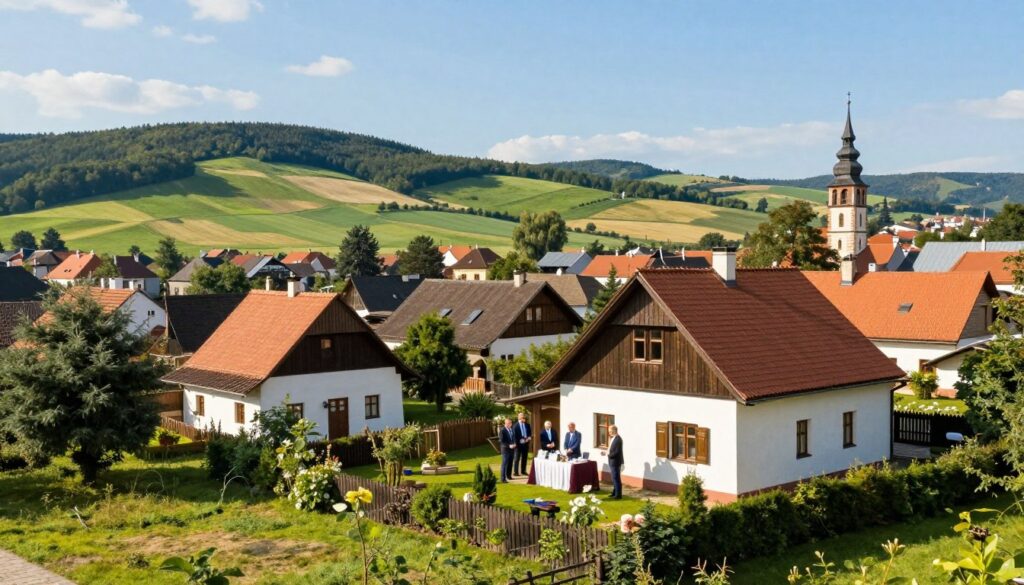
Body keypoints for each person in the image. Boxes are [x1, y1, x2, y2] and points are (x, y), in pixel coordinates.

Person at [601, 425, 623, 499]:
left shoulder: (618, 439)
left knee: (616, 478)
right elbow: (611, 449)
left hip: (615, 461)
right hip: (612, 461)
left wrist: (609, 455)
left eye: (610, 431)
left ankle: (618, 495)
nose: (609, 432)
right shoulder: (613, 438)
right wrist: (605, 452)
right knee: (614, 478)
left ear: (614, 430)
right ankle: (614, 492)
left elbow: (617, 452)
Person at [513, 412, 532, 476]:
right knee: (517, 458)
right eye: (521, 416)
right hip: (518, 445)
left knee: (524, 458)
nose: (522, 417)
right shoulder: (515, 426)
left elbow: (529, 433)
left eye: (523, 416)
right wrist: (518, 442)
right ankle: (516, 472)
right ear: (518, 417)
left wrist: (529, 437)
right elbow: (514, 436)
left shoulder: (527, 425)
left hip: (526, 444)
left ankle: (523, 471)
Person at [499, 418, 516, 483]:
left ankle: (509, 476)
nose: (510, 424)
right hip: (505, 449)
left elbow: (513, 438)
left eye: (510, 423)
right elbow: (502, 441)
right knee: (504, 463)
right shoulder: (502, 430)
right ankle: (503, 479)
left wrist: (514, 443)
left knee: (510, 463)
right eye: (508, 423)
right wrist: (509, 445)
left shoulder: (511, 429)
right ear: (505, 423)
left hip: (512, 449)